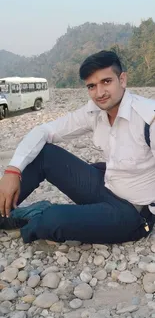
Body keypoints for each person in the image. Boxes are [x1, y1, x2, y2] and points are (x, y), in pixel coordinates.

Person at [0, 50, 155, 245]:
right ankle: (1, 210)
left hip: (132, 212)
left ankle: (36, 215)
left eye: (106, 82)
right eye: (92, 86)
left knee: (51, 220)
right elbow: (44, 130)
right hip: (106, 187)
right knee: (44, 154)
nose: (99, 93)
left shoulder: (148, 117)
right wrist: (13, 170)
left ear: (122, 80)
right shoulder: (94, 111)